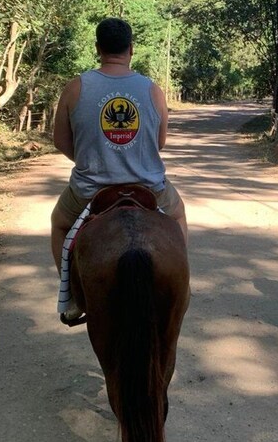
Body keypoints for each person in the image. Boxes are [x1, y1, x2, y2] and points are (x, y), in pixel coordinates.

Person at [50, 17, 187, 322]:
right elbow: (159, 142)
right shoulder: (153, 90)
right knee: (177, 215)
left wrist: (91, 159)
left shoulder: (75, 88)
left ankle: (71, 297)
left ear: (98, 48)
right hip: (149, 187)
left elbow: (60, 140)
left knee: (59, 224)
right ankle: (182, 285)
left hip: (90, 189)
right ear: (131, 49)